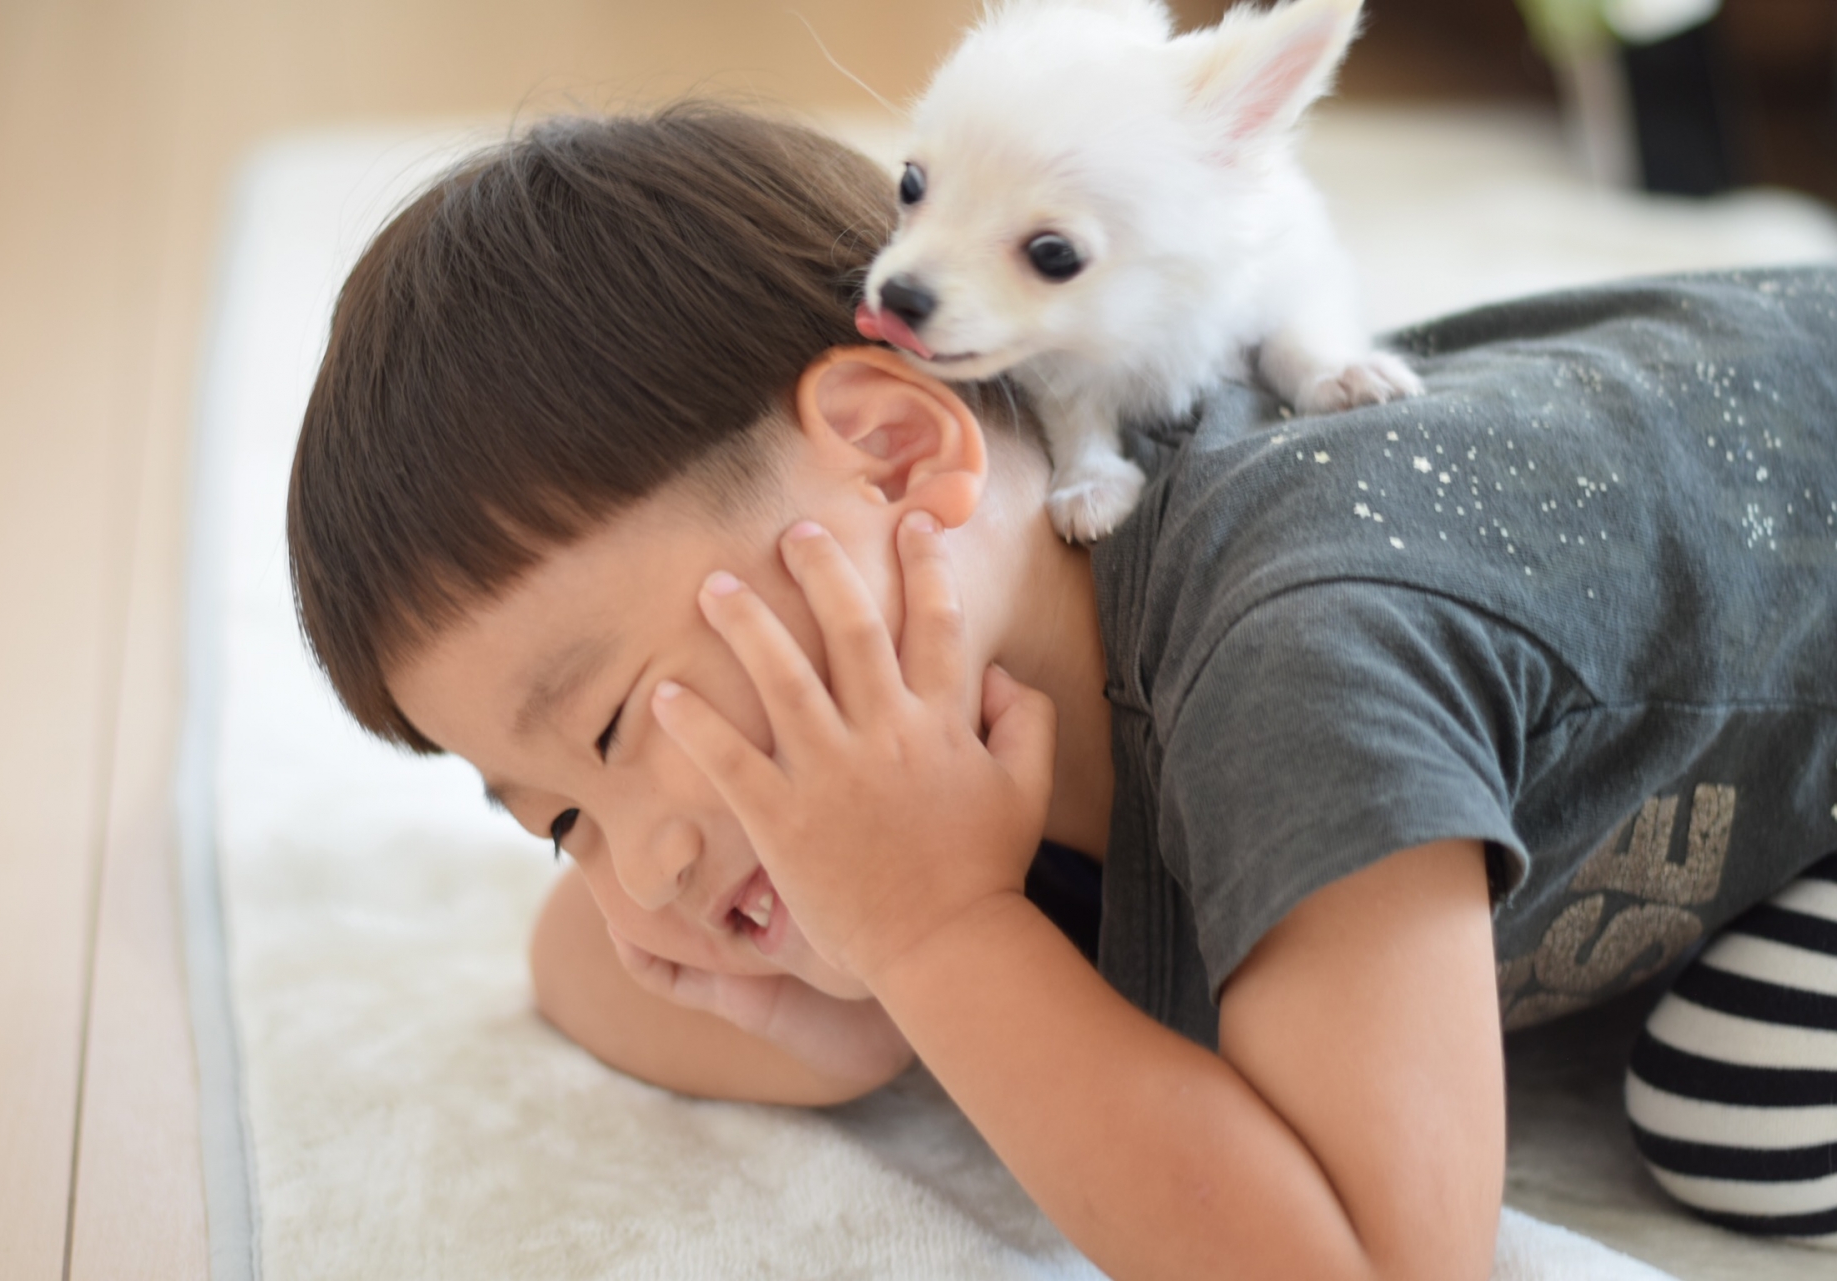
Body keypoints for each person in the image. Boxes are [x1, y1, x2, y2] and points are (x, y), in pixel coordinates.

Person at [286, 103, 1837, 1276]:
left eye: (619, 725)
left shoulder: (1297, 647)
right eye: (557, 816)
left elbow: (1374, 1257)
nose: (647, 863)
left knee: (1731, 1105)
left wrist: (935, 937)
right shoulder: (994, 647)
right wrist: (853, 996)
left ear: (899, 453)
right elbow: (583, 958)